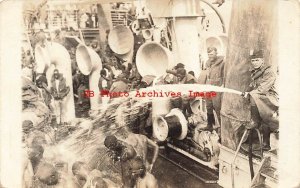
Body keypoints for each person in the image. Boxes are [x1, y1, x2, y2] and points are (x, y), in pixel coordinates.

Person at [241, 49, 278, 151]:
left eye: (257, 60)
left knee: (265, 119)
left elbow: (263, 88)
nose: (255, 63)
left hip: (270, 98)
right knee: (255, 99)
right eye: (253, 61)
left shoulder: (269, 72)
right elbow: (253, 86)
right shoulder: (255, 71)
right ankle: (264, 143)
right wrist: (246, 92)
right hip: (260, 97)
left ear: (262, 60)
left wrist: (251, 93)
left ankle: (255, 121)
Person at [203, 47, 225, 131]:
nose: (210, 56)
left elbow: (225, 76)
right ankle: (210, 125)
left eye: (211, 54)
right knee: (208, 107)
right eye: (208, 54)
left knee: (218, 108)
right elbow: (206, 76)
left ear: (216, 53)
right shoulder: (207, 63)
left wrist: (222, 86)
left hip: (217, 88)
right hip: (208, 88)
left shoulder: (222, 62)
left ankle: (222, 129)